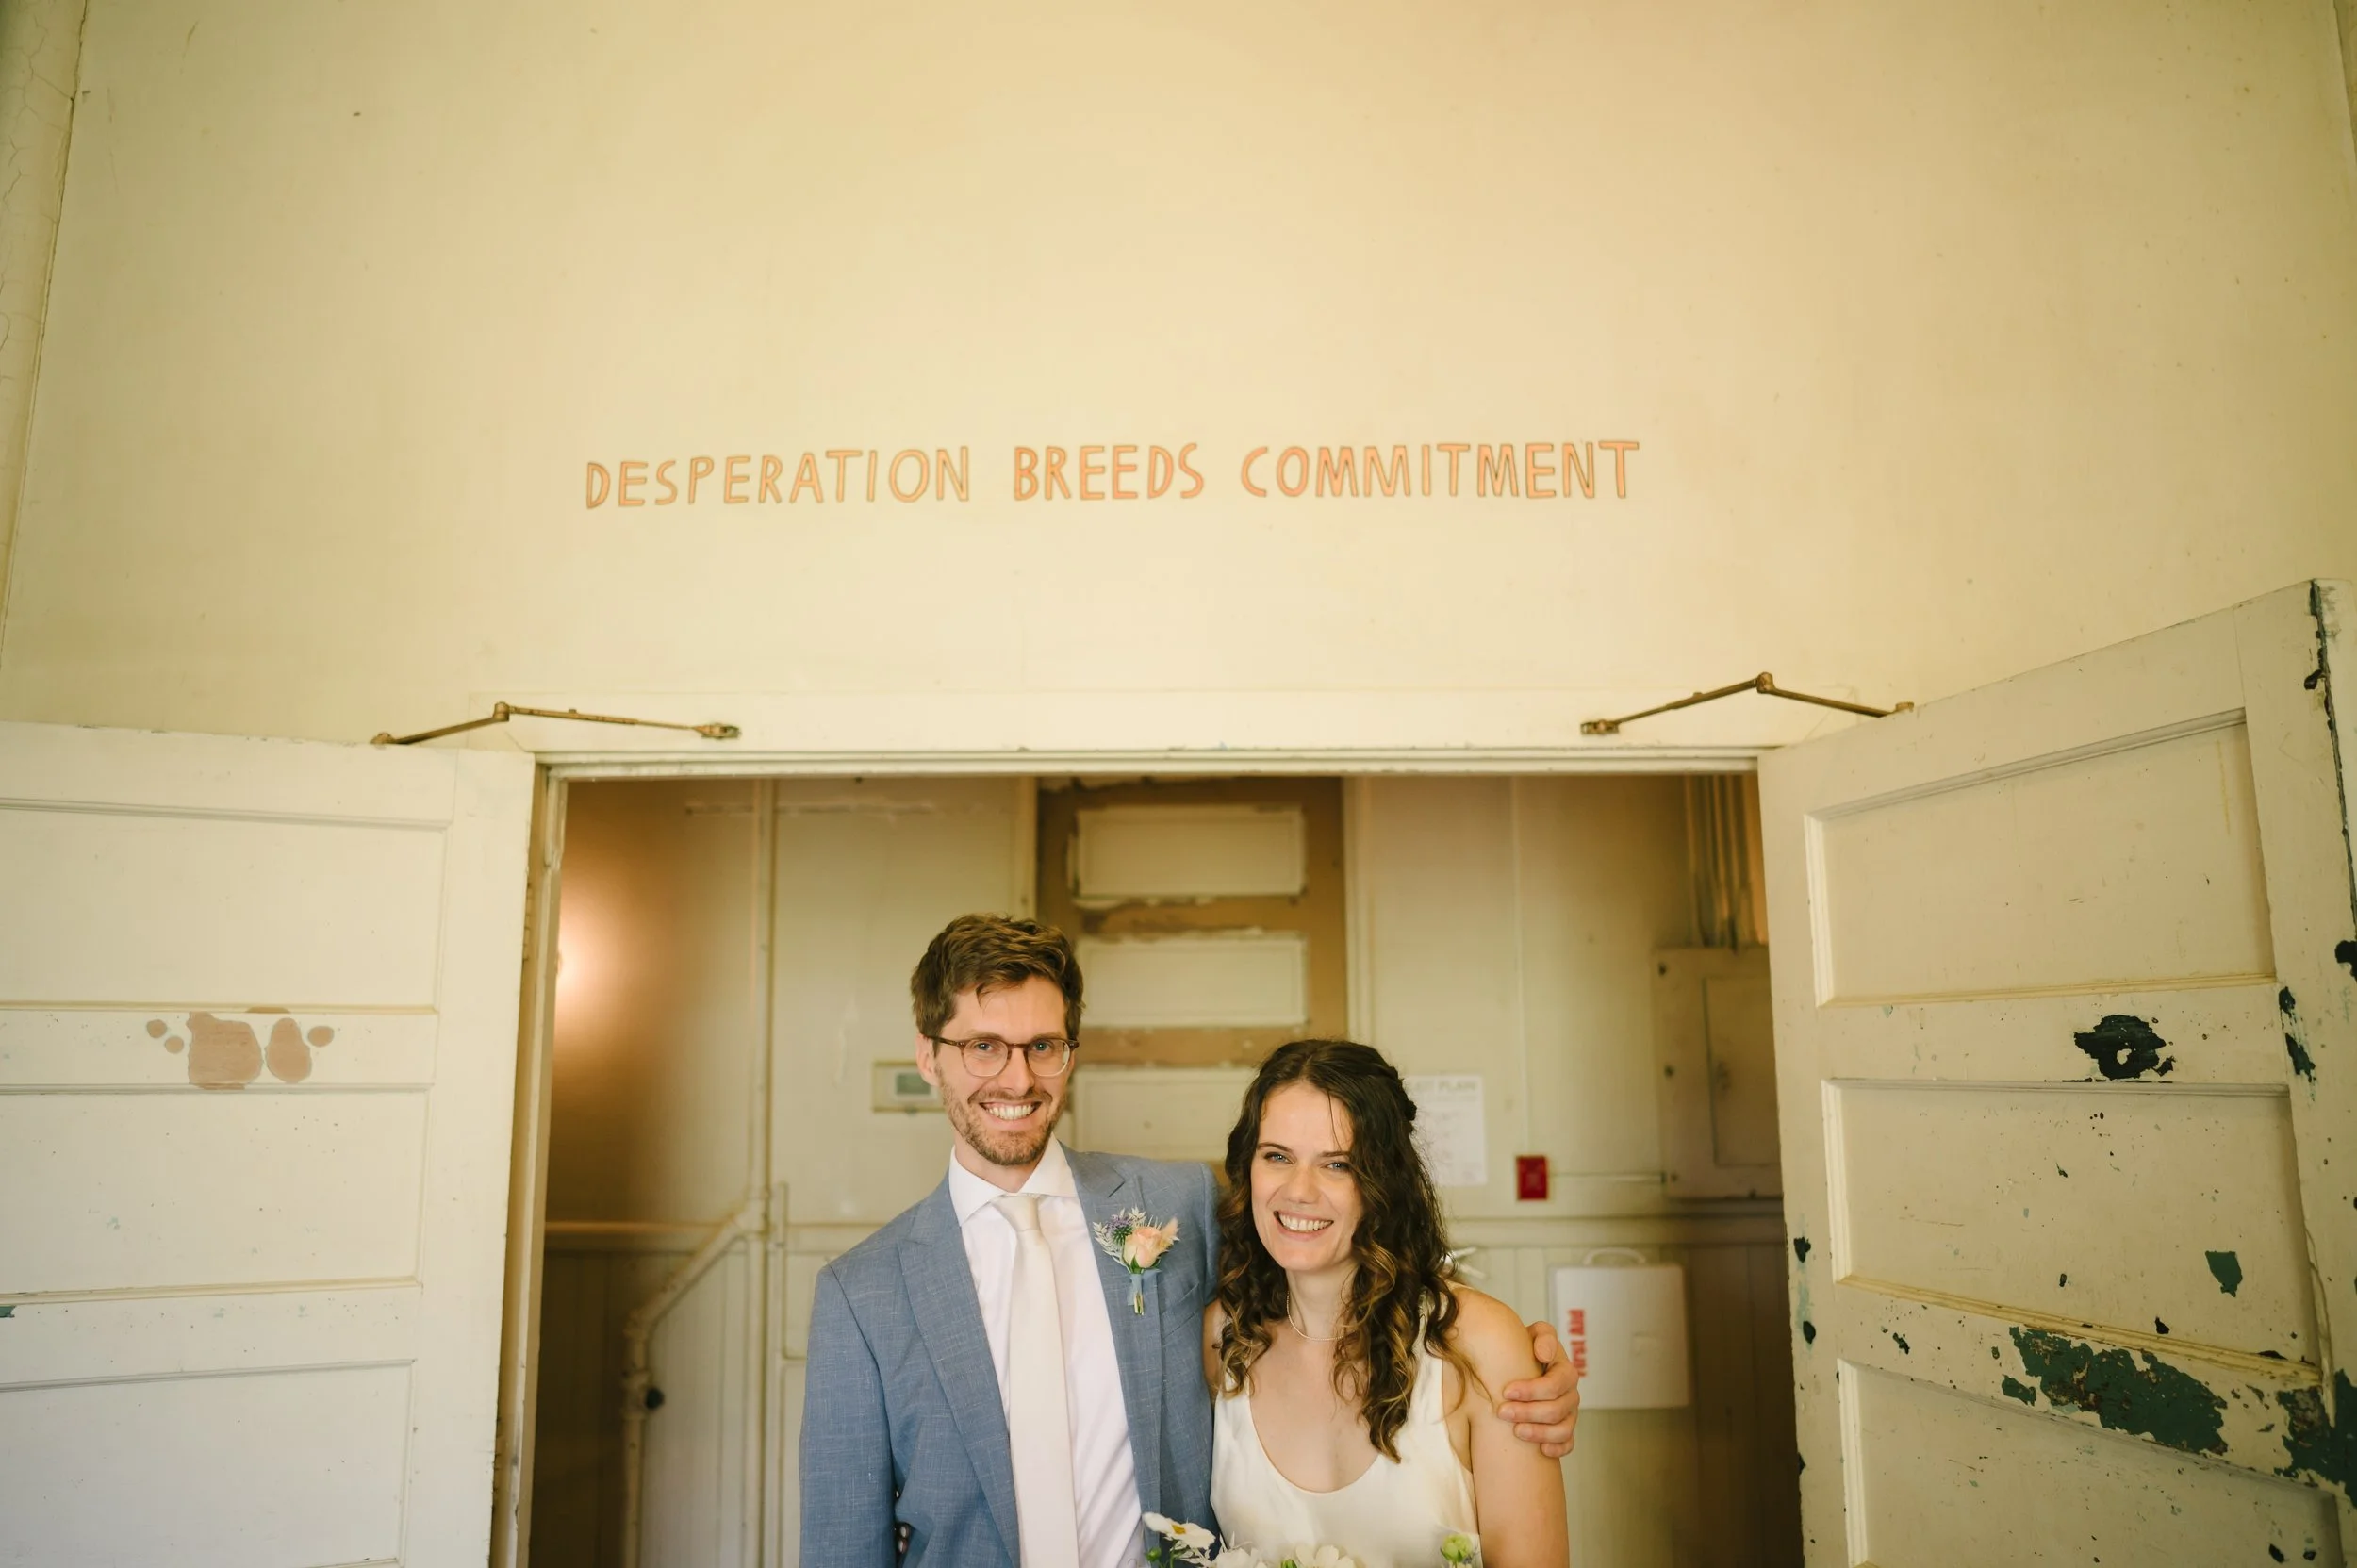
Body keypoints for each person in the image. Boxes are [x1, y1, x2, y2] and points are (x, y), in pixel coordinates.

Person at [800, 914, 1581, 1567]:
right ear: (927, 1054)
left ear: (1071, 1050)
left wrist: (1528, 1364)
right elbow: (842, 1543)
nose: (1017, 1077)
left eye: (1043, 1044)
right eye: (982, 1046)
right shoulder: (861, 1295)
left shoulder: (1179, 1204)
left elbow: (1345, 1268)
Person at [1201, 1040, 1570, 1568]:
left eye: (1337, 1165)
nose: (1299, 1191)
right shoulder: (1222, 1339)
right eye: (1277, 1156)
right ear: (1248, 1168)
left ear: (1383, 1185)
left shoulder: (1477, 1344)